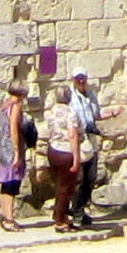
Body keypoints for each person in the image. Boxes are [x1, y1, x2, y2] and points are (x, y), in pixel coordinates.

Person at [39, 80, 84, 231]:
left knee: (59, 184)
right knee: (66, 187)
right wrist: (77, 158)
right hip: (66, 151)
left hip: (53, 149)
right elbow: (72, 134)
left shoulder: (50, 112)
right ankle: (60, 220)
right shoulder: (70, 113)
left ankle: (60, 215)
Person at [67, 67, 103, 226]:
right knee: (79, 178)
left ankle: (80, 208)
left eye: (83, 78)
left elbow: (96, 115)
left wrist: (113, 114)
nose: (81, 81)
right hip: (78, 141)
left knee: (91, 177)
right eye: (78, 78)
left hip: (91, 141)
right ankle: (76, 211)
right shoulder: (71, 97)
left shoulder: (91, 96)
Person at [0, 78, 29, 229]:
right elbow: (13, 128)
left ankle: (7, 216)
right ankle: (9, 219)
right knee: (12, 184)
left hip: (3, 147)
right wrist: (17, 152)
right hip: (11, 148)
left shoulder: (4, 104)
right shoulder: (15, 106)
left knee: (6, 182)